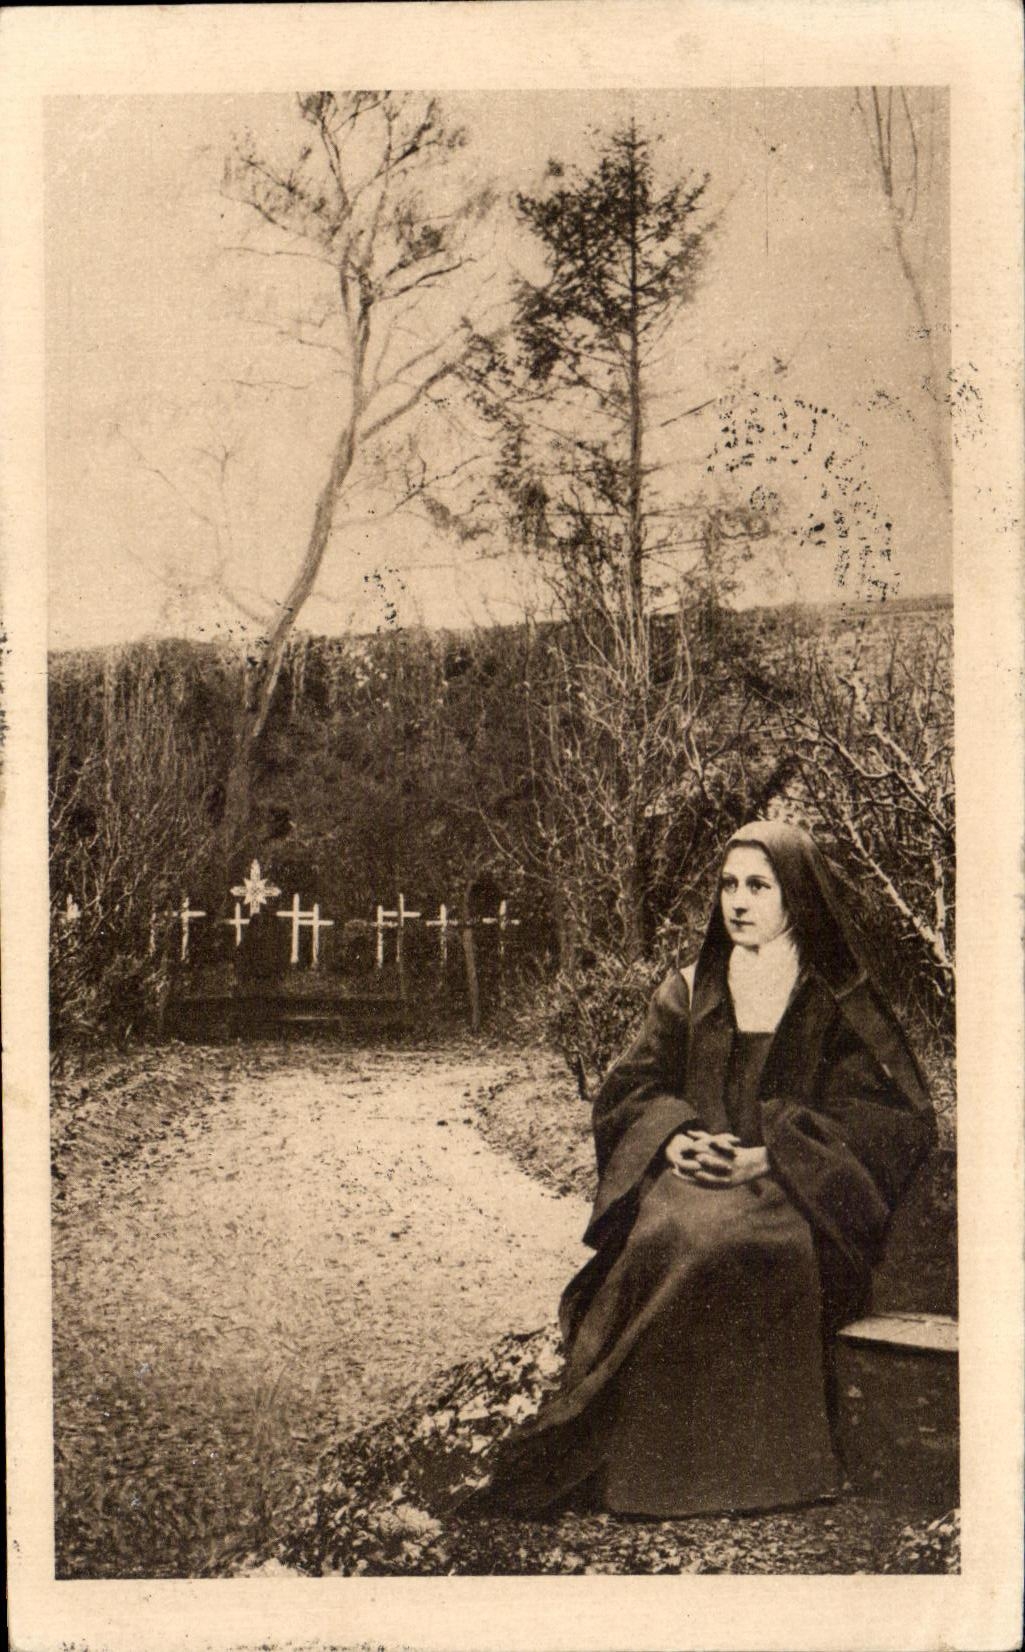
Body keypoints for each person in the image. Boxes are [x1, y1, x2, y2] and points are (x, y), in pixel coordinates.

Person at [463, 819, 936, 1518]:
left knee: (717, 1244)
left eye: (757, 885)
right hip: (697, 1177)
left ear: (795, 898)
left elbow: (892, 1120)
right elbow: (631, 1089)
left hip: (798, 1198)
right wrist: (674, 1140)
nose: (736, 902)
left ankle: (736, 1471)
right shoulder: (688, 989)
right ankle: (631, 1450)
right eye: (726, 885)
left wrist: (774, 1152)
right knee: (665, 1234)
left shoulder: (835, 1000)